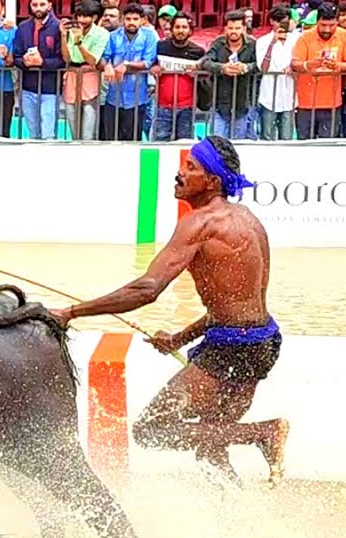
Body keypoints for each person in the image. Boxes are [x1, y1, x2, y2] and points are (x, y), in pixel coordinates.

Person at [49, 136, 289, 484]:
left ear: (212, 182)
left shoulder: (199, 224)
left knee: (152, 430)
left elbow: (147, 289)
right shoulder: (247, 219)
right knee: (211, 445)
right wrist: (178, 338)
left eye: (191, 168)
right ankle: (240, 519)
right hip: (262, 341)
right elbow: (234, 306)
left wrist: (72, 312)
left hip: (232, 348)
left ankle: (264, 433)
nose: (179, 173)